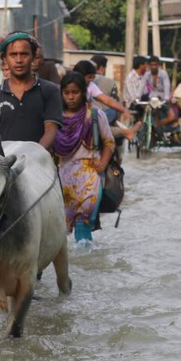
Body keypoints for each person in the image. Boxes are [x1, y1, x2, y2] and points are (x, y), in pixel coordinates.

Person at [55, 72, 115, 242]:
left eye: (75, 92)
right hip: (64, 177)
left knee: (83, 222)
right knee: (64, 228)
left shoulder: (95, 116)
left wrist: (103, 164)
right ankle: (74, 266)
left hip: (90, 176)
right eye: (66, 93)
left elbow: (109, 142)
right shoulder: (55, 118)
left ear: (83, 92)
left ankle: (87, 265)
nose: (71, 97)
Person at [0, 31, 63, 150]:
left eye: (24, 54)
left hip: (39, 164)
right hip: (5, 164)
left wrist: (34, 155)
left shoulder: (50, 91)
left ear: (33, 56)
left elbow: (51, 129)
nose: (19, 60)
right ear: (5, 58)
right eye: (13, 55)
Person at [73, 60, 139, 141]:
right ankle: (124, 132)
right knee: (96, 125)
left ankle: (123, 132)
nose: (91, 80)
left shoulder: (90, 86)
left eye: (92, 77)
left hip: (86, 117)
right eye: (89, 77)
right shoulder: (70, 85)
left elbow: (107, 100)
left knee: (111, 113)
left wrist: (124, 110)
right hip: (73, 118)